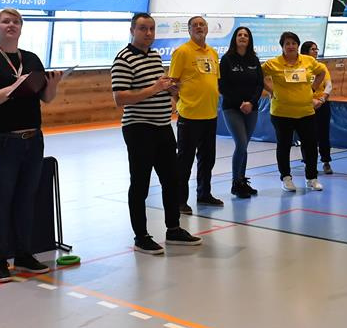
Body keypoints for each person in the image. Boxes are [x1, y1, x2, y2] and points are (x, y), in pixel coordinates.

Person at [0, 7, 64, 282]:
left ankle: (24, 254)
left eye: (16, 22)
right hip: (1, 141)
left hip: (32, 140)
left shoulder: (31, 59)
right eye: (5, 21)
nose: (11, 25)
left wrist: (53, 84)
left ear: (21, 28)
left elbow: (46, 98)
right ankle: (0, 259)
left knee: (25, 199)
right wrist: (11, 89)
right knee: (0, 201)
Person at [110, 13, 202, 255]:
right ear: (132, 30)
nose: (148, 33)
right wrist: (155, 88)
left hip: (163, 126)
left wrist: (170, 89)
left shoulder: (153, 56)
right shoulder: (123, 59)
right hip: (139, 128)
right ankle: (141, 236)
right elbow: (120, 98)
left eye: (151, 28)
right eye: (143, 28)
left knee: (171, 180)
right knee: (140, 184)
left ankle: (173, 228)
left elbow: (156, 88)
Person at [261, 32, 328, 192]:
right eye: (287, 43)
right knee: (284, 146)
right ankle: (286, 178)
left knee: (310, 146)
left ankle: (311, 178)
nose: (291, 46)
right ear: (282, 46)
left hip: (306, 112)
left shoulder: (308, 61)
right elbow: (259, 75)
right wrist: (270, 91)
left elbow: (322, 72)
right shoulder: (273, 63)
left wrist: (312, 89)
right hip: (281, 113)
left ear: (298, 45)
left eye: (293, 43)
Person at [169, 15, 222, 211]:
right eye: (195, 25)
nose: (199, 27)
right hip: (190, 116)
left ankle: (204, 194)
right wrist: (180, 103)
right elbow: (172, 83)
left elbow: (214, 81)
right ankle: (179, 200)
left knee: (207, 159)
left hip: (210, 115)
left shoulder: (213, 52)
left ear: (207, 29)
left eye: (202, 24)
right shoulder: (182, 52)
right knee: (184, 161)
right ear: (189, 30)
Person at [219, 26, 263, 200]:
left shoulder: (254, 60)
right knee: (241, 143)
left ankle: (242, 181)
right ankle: (236, 183)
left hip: (251, 108)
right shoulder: (227, 59)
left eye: (246, 35)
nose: (243, 37)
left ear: (249, 39)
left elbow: (259, 84)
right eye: (239, 35)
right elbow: (223, 86)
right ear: (235, 39)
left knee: (244, 145)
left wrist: (251, 102)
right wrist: (240, 103)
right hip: (232, 108)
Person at [299, 41, 334, 174]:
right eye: (313, 49)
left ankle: (326, 161)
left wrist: (321, 99)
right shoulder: (301, 67)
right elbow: (299, 88)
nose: (316, 51)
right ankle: (308, 162)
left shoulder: (321, 66)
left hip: (322, 104)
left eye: (316, 49)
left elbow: (328, 85)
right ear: (305, 52)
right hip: (306, 104)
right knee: (306, 135)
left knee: (323, 134)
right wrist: (310, 100)